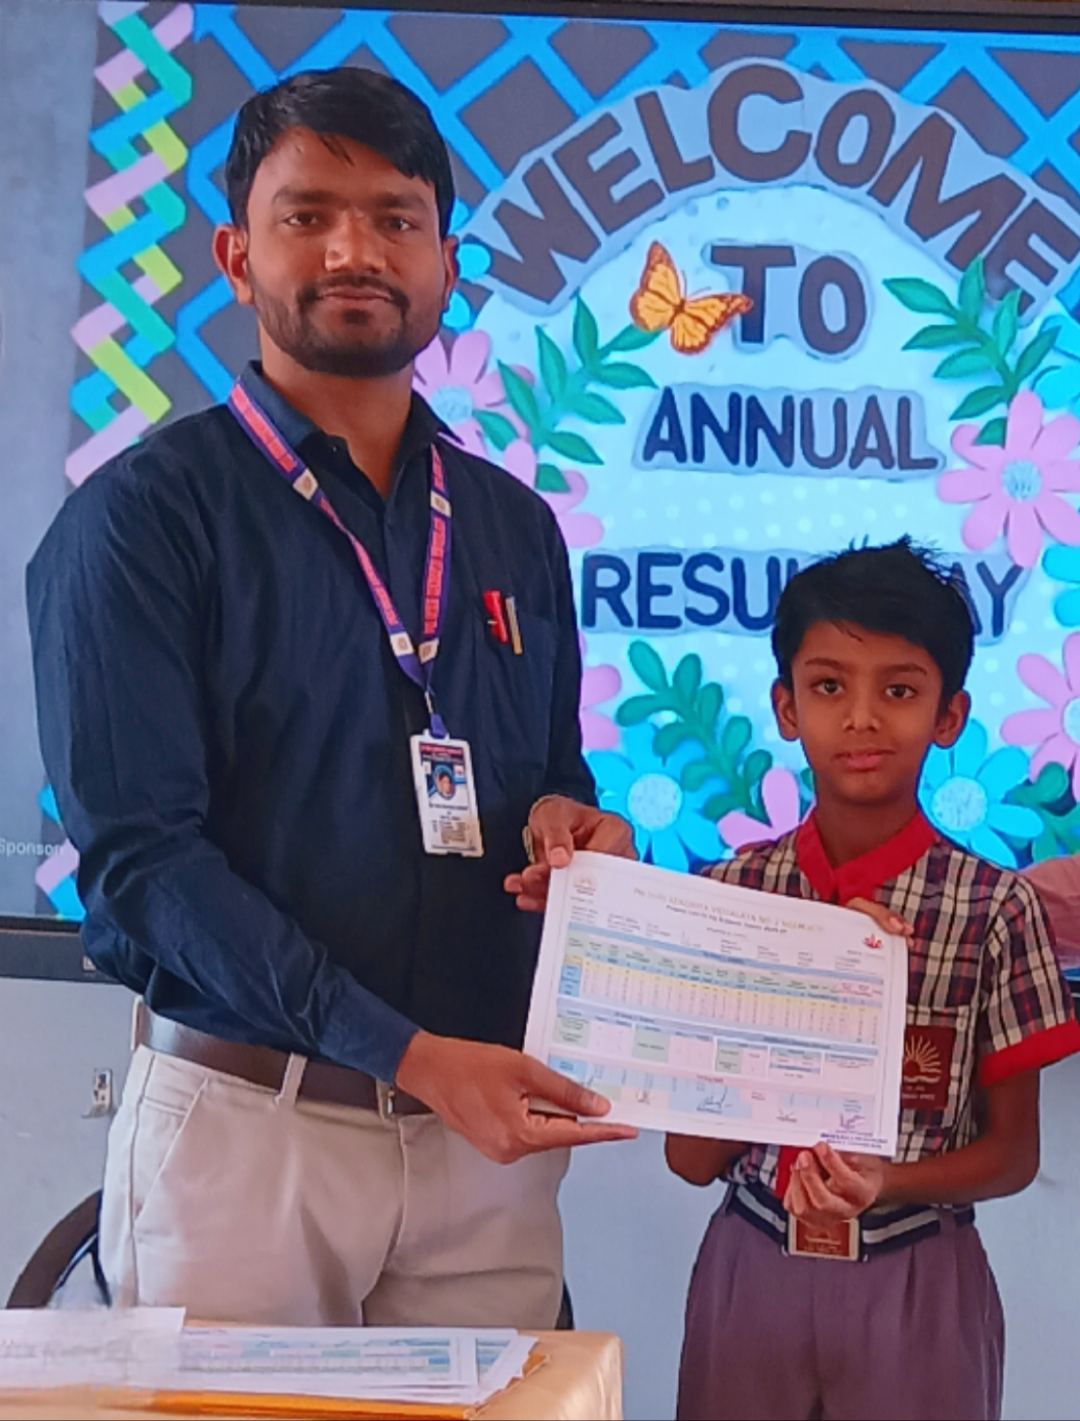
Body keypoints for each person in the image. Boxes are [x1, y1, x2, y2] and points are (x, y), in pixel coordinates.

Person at [26, 67, 636, 1329]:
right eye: (307, 215)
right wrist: (404, 1052)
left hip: (484, 1149)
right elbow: (144, 864)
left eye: (394, 217)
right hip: (251, 1131)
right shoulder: (140, 522)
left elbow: (551, 774)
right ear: (234, 255)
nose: (355, 250)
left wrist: (574, 827)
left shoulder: (513, 526)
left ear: (445, 262)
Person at [664, 540, 1080, 1421]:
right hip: (753, 1266)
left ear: (949, 714)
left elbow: (1014, 1155)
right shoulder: (733, 895)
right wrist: (793, 1001)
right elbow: (690, 1158)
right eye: (828, 686)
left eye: (898, 690)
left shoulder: (993, 909)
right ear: (785, 707)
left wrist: (883, 1181)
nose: (860, 718)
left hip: (916, 1274)